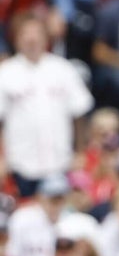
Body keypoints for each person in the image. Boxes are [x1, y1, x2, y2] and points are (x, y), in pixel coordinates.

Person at [0, 16, 94, 198]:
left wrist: (80, 151)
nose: (32, 39)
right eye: (26, 34)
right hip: (20, 163)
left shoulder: (63, 69)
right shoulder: (5, 73)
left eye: (37, 34)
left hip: (60, 162)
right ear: (16, 39)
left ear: (46, 38)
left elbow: (79, 113)